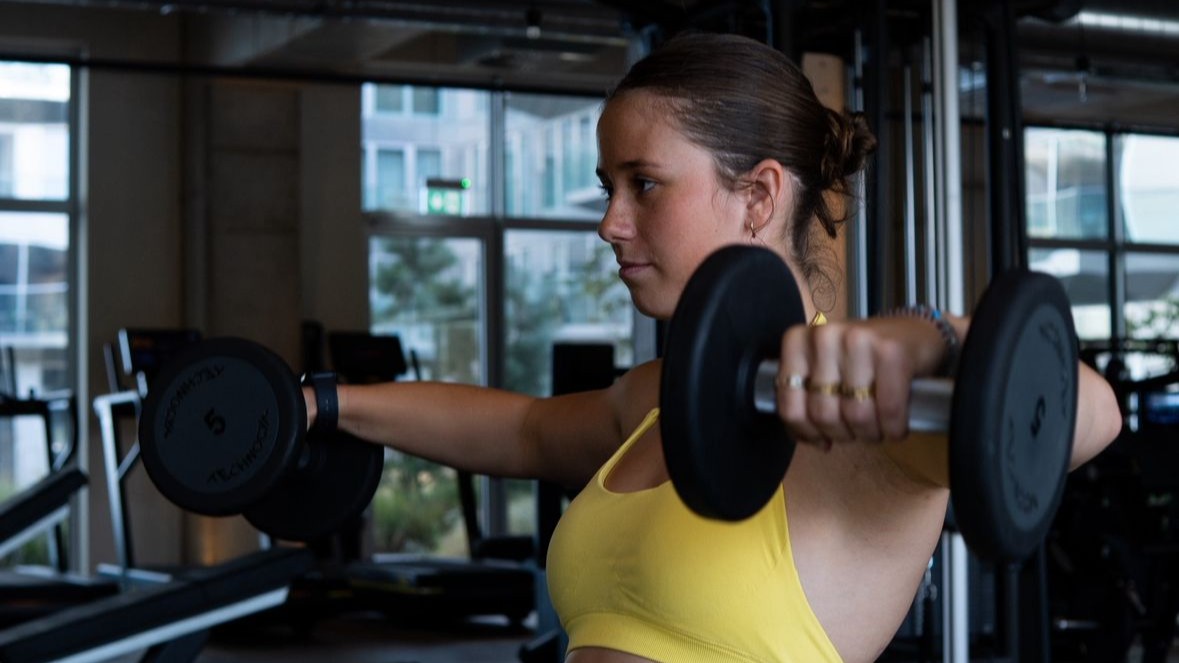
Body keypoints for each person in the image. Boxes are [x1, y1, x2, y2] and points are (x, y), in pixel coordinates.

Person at [304, 31, 1123, 663]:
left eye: (643, 183)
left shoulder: (863, 420)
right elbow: (520, 429)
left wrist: (933, 338)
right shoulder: (663, 397)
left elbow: (1090, 413)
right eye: (608, 188)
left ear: (757, 195)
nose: (609, 222)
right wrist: (319, 404)